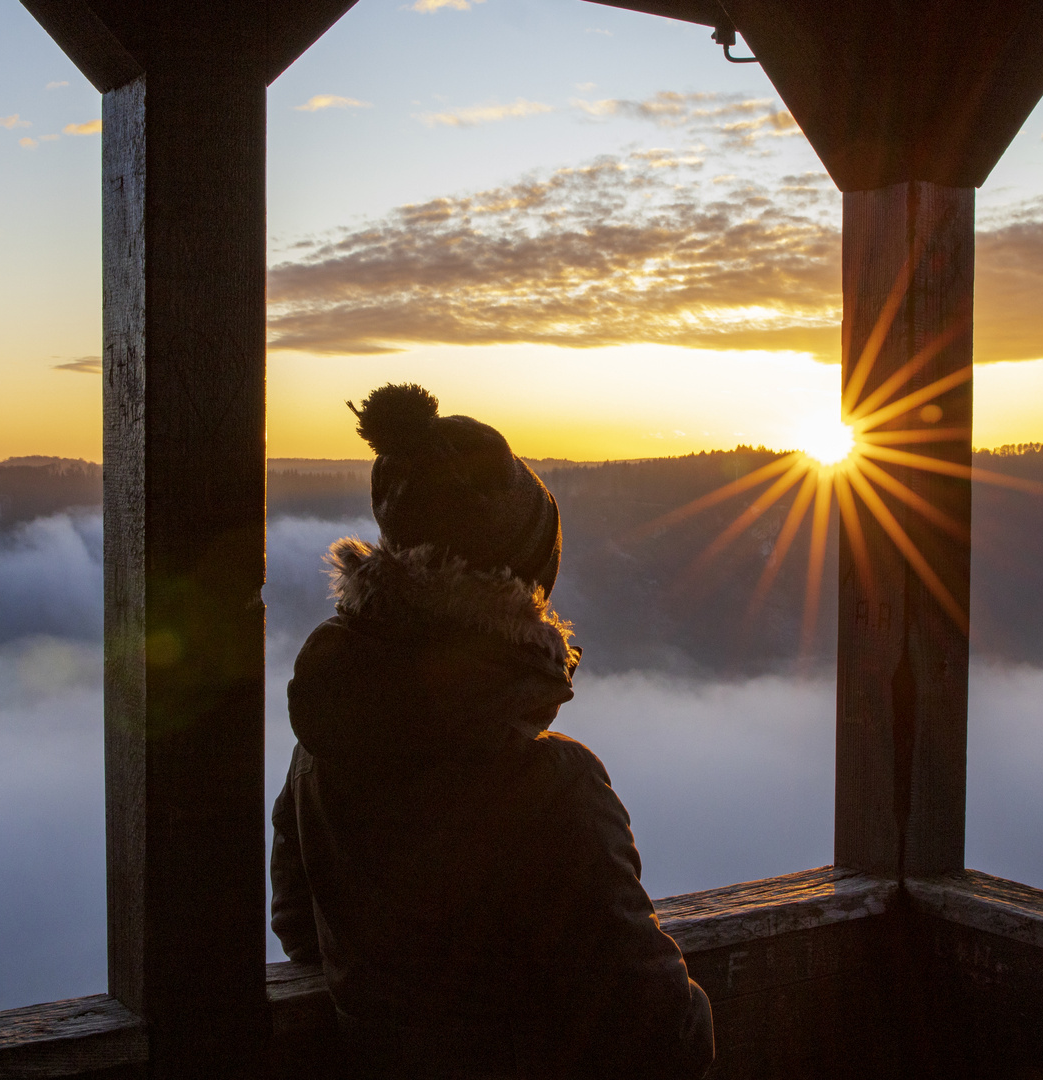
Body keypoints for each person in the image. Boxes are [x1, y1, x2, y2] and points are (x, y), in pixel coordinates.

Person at [271, 384, 714, 1080]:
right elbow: (657, 1028)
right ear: (525, 584)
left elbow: (301, 928)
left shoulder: (326, 746)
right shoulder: (551, 787)